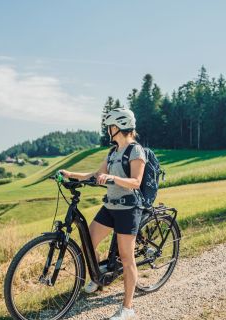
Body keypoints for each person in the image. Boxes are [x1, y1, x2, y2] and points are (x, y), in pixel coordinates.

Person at [59, 108, 146, 320]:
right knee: (88, 242)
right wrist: (70, 174)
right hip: (110, 207)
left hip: (128, 209)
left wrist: (112, 179)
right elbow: (95, 175)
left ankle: (127, 309)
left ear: (119, 127)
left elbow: (136, 182)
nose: (109, 130)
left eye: (111, 127)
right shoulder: (113, 152)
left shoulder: (136, 151)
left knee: (127, 258)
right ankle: (98, 279)